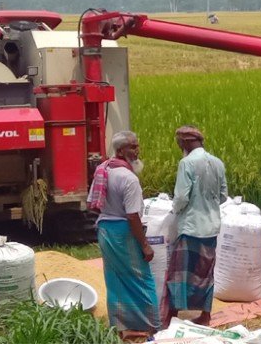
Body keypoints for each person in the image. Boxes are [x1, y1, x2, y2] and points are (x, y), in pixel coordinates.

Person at [87, 131, 159, 340]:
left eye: (137, 146)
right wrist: (145, 244)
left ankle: (120, 327)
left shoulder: (103, 170)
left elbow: (95, 205)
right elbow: (133, 216)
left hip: (106, 231)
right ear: (120, 151)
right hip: (124, 232)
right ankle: (153, 326)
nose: (137, 151)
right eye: (132, 147)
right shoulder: (129, 178)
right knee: (142, 279)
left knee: (115, 279)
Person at [161, 126, 228, 327]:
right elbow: (223, 195)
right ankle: (205, 316)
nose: (180, 147)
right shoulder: (217, 162)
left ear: (186, 143)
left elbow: (181, 196)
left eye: (180, 143)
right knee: (205, 273)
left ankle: (172, 315)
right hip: (211, 226)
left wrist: (175, 210)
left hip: (190, 226)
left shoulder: (186, 163)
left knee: (179, 272)